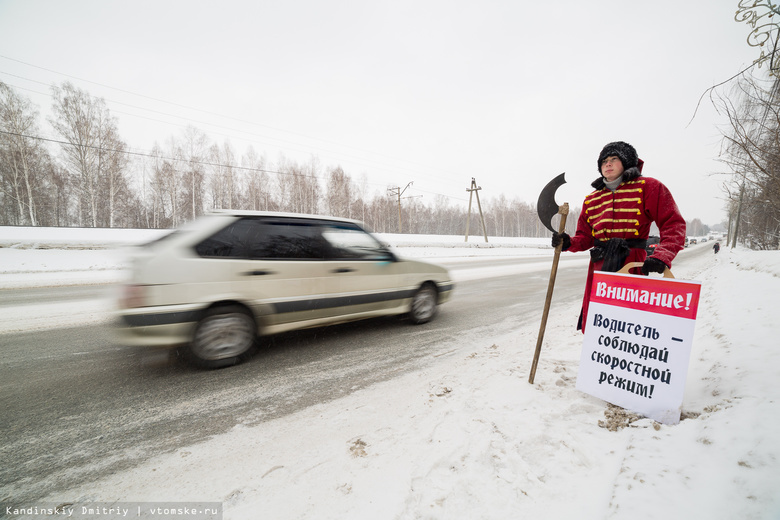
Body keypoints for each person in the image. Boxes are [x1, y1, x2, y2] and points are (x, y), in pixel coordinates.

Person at [552, 141, 686, 332]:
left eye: (614, 159)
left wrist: (661, 256)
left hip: (631, 264)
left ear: (626, 162)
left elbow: (673, 224)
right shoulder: (592, 199)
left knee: (629, 323)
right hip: (600, 266)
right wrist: (568, 242)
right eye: (604, 161)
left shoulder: (649, 187)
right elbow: (585, 237)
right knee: (600, 322)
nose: (608, 164)